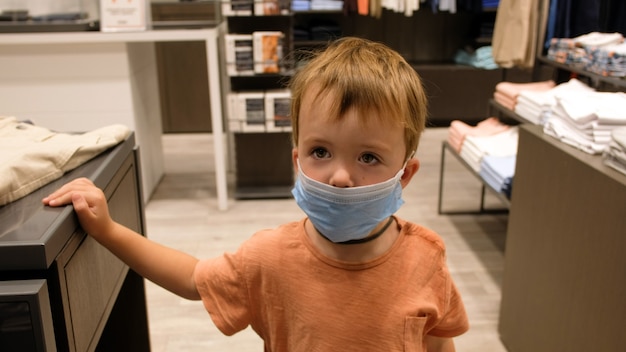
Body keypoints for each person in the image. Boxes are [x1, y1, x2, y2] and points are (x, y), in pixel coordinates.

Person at [43, 37, 469, 351]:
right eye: (321, 151)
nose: (339, 177)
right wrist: (109, 231)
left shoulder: (426, 258)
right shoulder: (270, 257)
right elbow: (193, 279)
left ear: (405, 174)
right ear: (296, 159)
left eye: (369, 157)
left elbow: (437, 342)